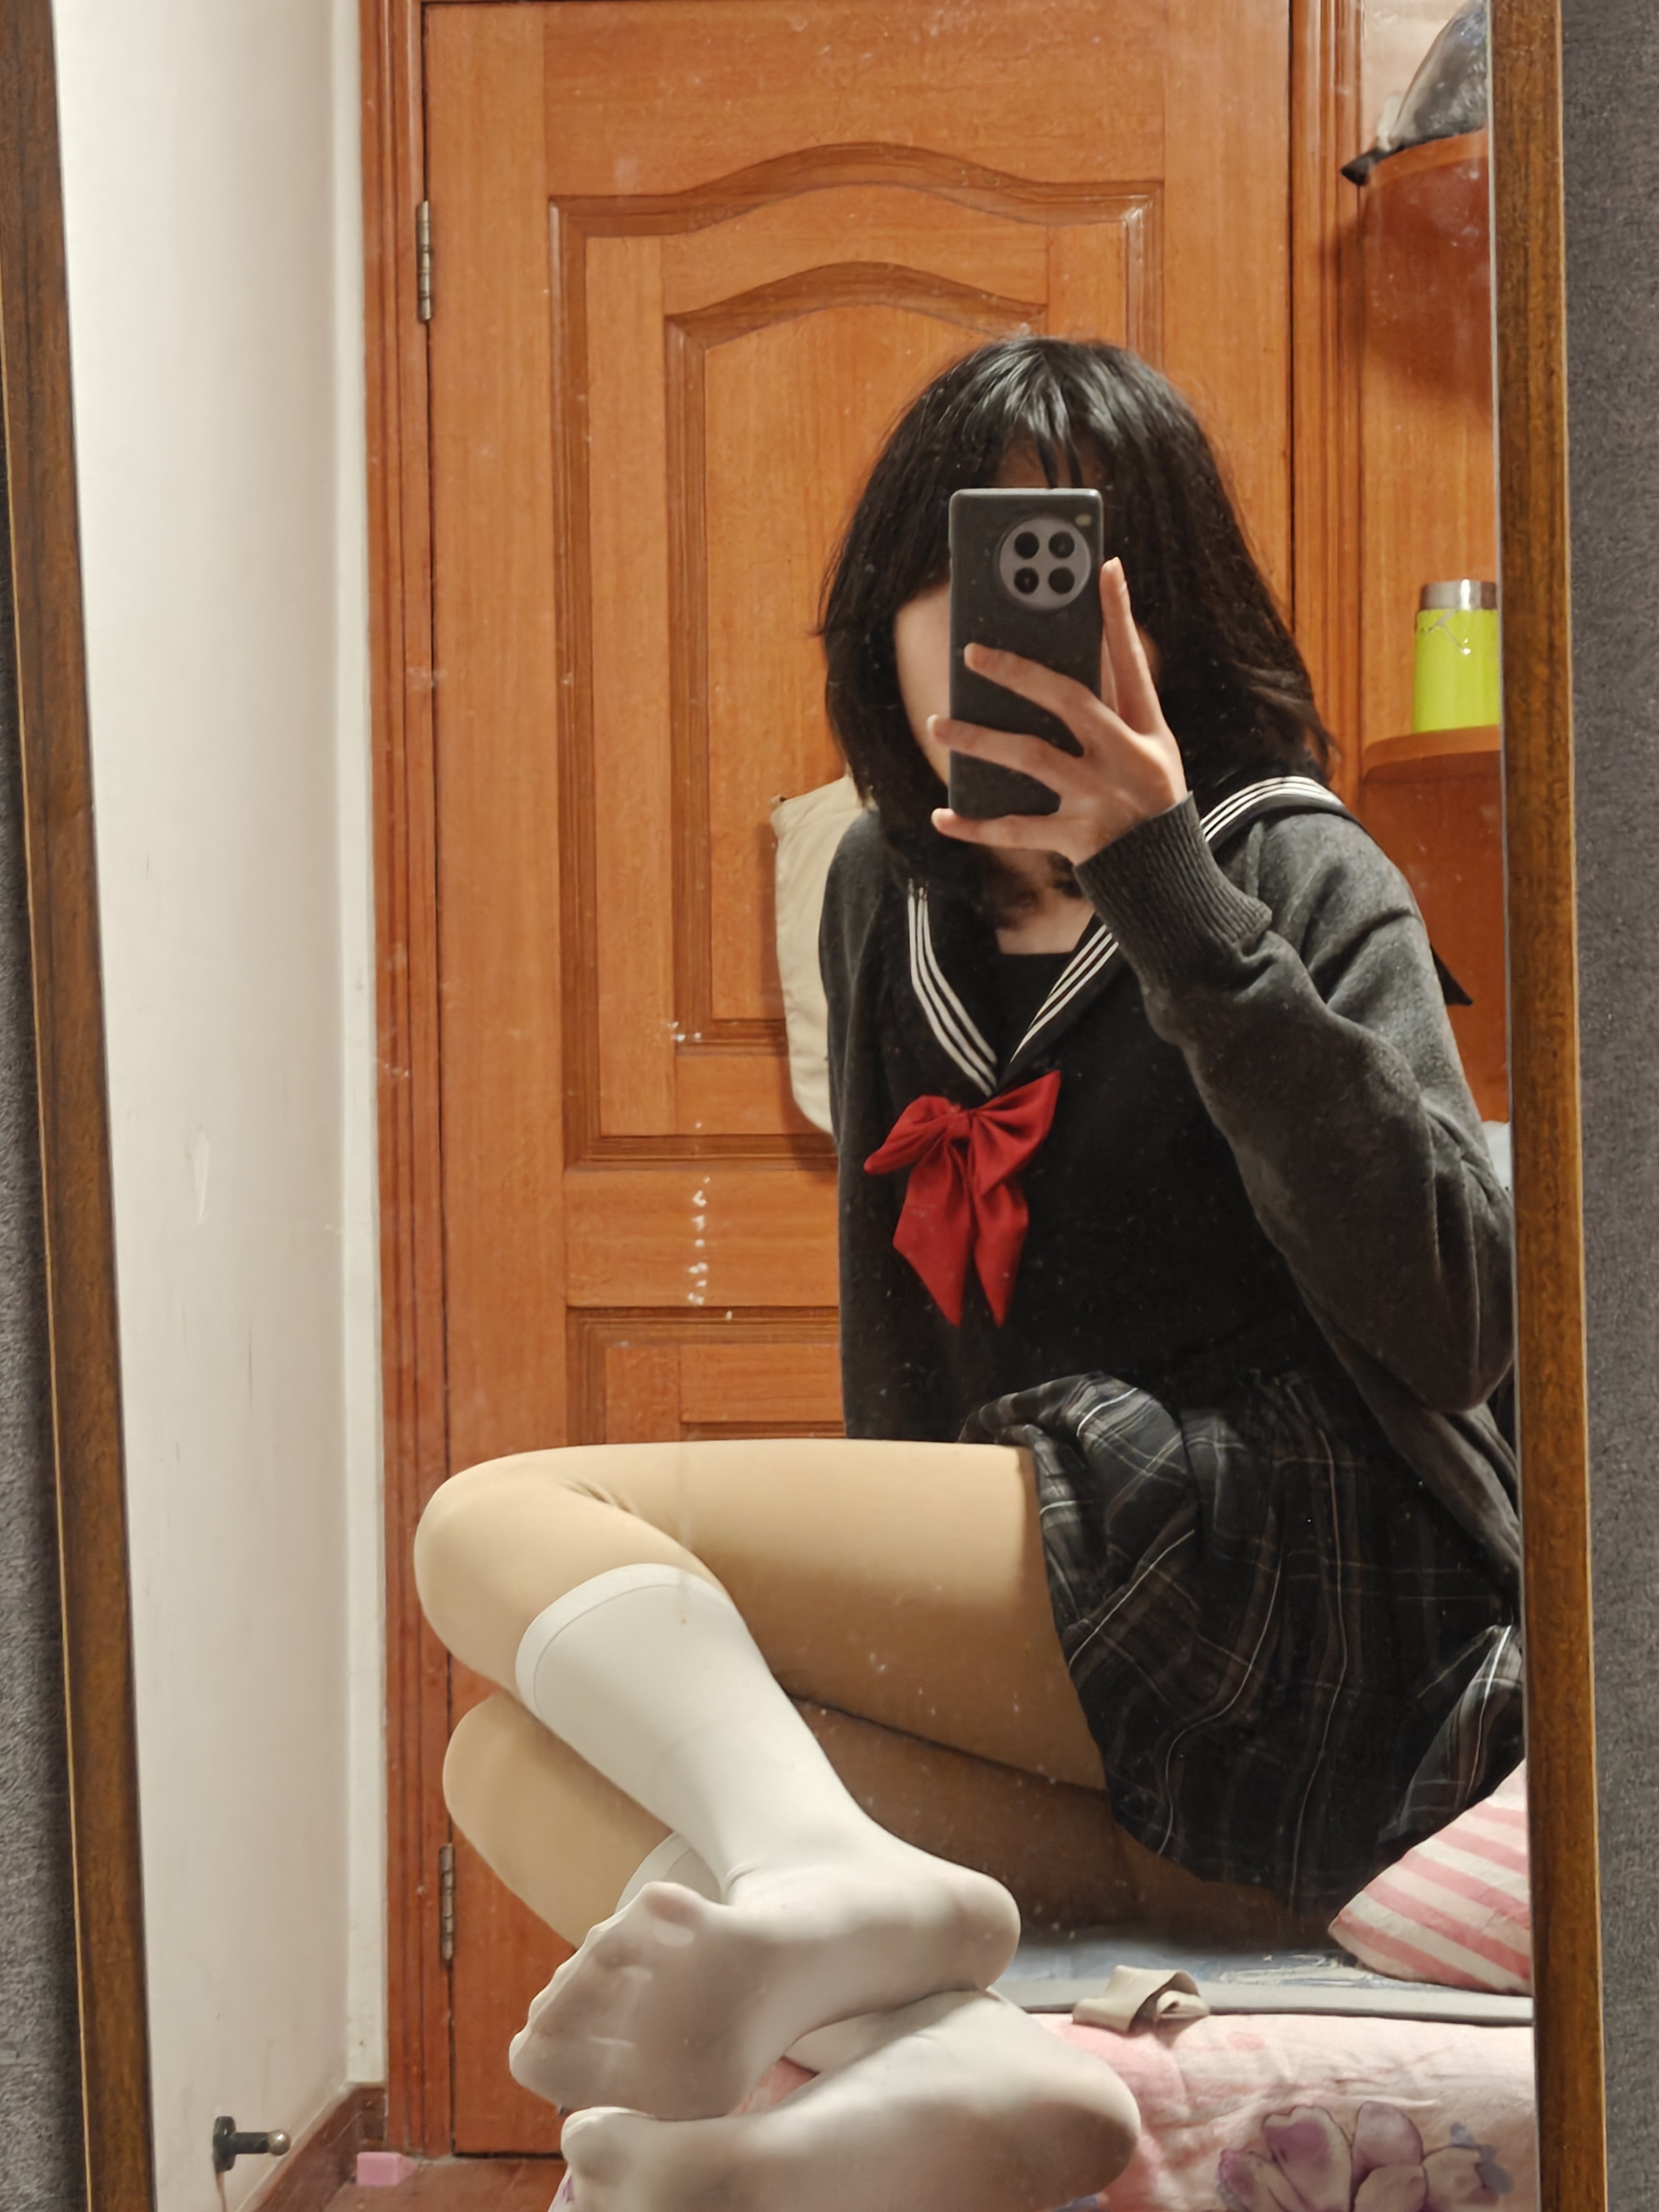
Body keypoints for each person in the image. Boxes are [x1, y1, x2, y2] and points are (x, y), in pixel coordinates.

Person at [414, 338, 1521, 2210]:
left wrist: (1159, 874)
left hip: (1327, 1626)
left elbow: (1458, 1321)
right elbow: (904, 1338)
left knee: (493, 1524)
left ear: (1153, 611)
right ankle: (947, 2065)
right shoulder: (884, 890)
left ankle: (834, 1904)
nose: (976, 627)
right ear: (884, 611)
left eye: (1044, 569)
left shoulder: (1287, 865)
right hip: (1140, 1740)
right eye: (944, 568)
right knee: (513, 1756)